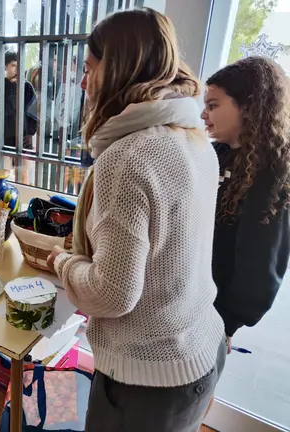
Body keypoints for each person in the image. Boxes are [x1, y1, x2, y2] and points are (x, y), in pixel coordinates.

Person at [46, 9, 226, 432]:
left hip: (147, 379)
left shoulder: (127, 158)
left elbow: (112, 294)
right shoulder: (195, 141)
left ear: (120, 68)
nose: (83, 83)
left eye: (91, 69)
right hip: (199, 349)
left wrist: (62, 262)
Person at [201, 57, 290, 353]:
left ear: (249, 107)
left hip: (215, 315)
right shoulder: (213, 154)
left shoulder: (274, 176)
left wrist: (226, 323)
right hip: (188, 298)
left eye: (213, 105)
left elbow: (260, 267)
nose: (203, 114)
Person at [3, 51, 37, 183]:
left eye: (19, 66)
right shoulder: (1, 86)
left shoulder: (27, 86)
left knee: (22, 176)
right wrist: (12, 88)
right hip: (4, 138)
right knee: (3, 175)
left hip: (23, 138)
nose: (17, 69)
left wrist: (30, 134)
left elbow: (34, 113)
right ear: (5, 66)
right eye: (13, 65)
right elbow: (6, 110)